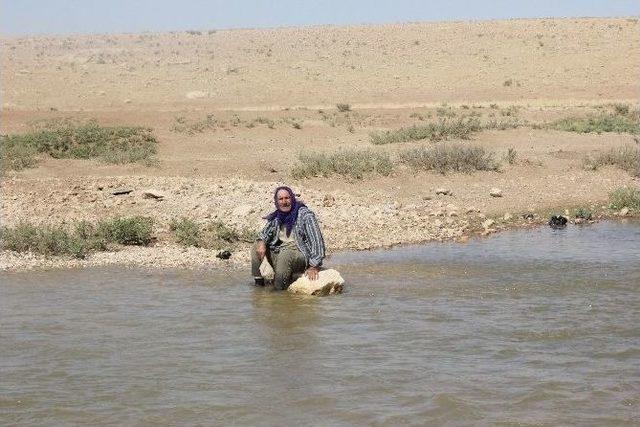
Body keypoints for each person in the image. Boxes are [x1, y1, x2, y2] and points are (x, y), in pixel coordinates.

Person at [252, 186, 326, 290]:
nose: (284, 202)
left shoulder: (305, 215)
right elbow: (264, 233)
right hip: (280, 250)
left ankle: (279, 293)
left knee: (286, 255)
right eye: (281, 199)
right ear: (277, 201)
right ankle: (259, 286)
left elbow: (317, 242)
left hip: (299, 252)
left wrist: (314, 266)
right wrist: (261, 242)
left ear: (292, 198)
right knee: (256, 244)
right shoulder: (277, 216)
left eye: (287, 198)